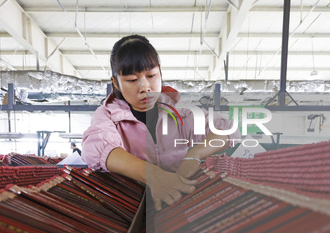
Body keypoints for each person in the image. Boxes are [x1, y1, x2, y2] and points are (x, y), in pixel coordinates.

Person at [82, 34, 240, 210]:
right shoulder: (107, 116)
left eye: (151, 75)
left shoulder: (179, 112)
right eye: (132, 80)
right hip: (131, 206)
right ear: (116, 84)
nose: (145, 87)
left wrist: (194, 154)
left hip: (178, 202)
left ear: (160, 73)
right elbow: (96, 150)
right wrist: (154, 176)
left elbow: (226, 129)